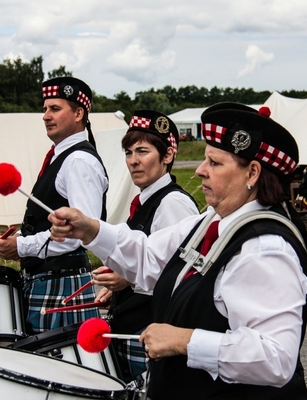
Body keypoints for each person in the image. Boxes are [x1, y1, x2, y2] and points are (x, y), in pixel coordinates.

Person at [48, 103, 307, 399]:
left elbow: (275, 357)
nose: (200, 171)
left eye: (214, 162)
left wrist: (185, 340)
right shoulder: (211, 221)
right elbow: (149, 257)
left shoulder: (265, 248)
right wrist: (91, 230)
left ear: (252, 172)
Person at [0, 76, 108, 334]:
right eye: (44, 109)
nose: (45, 116)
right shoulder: (61, 157)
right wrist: (20, 236)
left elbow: (80, 234)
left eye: (55, 108)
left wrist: (21, 246)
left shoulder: (78, 162)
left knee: (61, 370)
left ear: (78, 113)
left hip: (62, 282)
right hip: (49, 279)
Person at [93, 110, 199, 384]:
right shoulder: (145, 201)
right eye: (128, 153)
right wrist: (118, 281)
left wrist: (128, 279)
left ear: (167, 156)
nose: (133, 161)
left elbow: (183, 277)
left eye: (142, 151)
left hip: (150, 331)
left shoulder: (173, 203)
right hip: (132, 328)